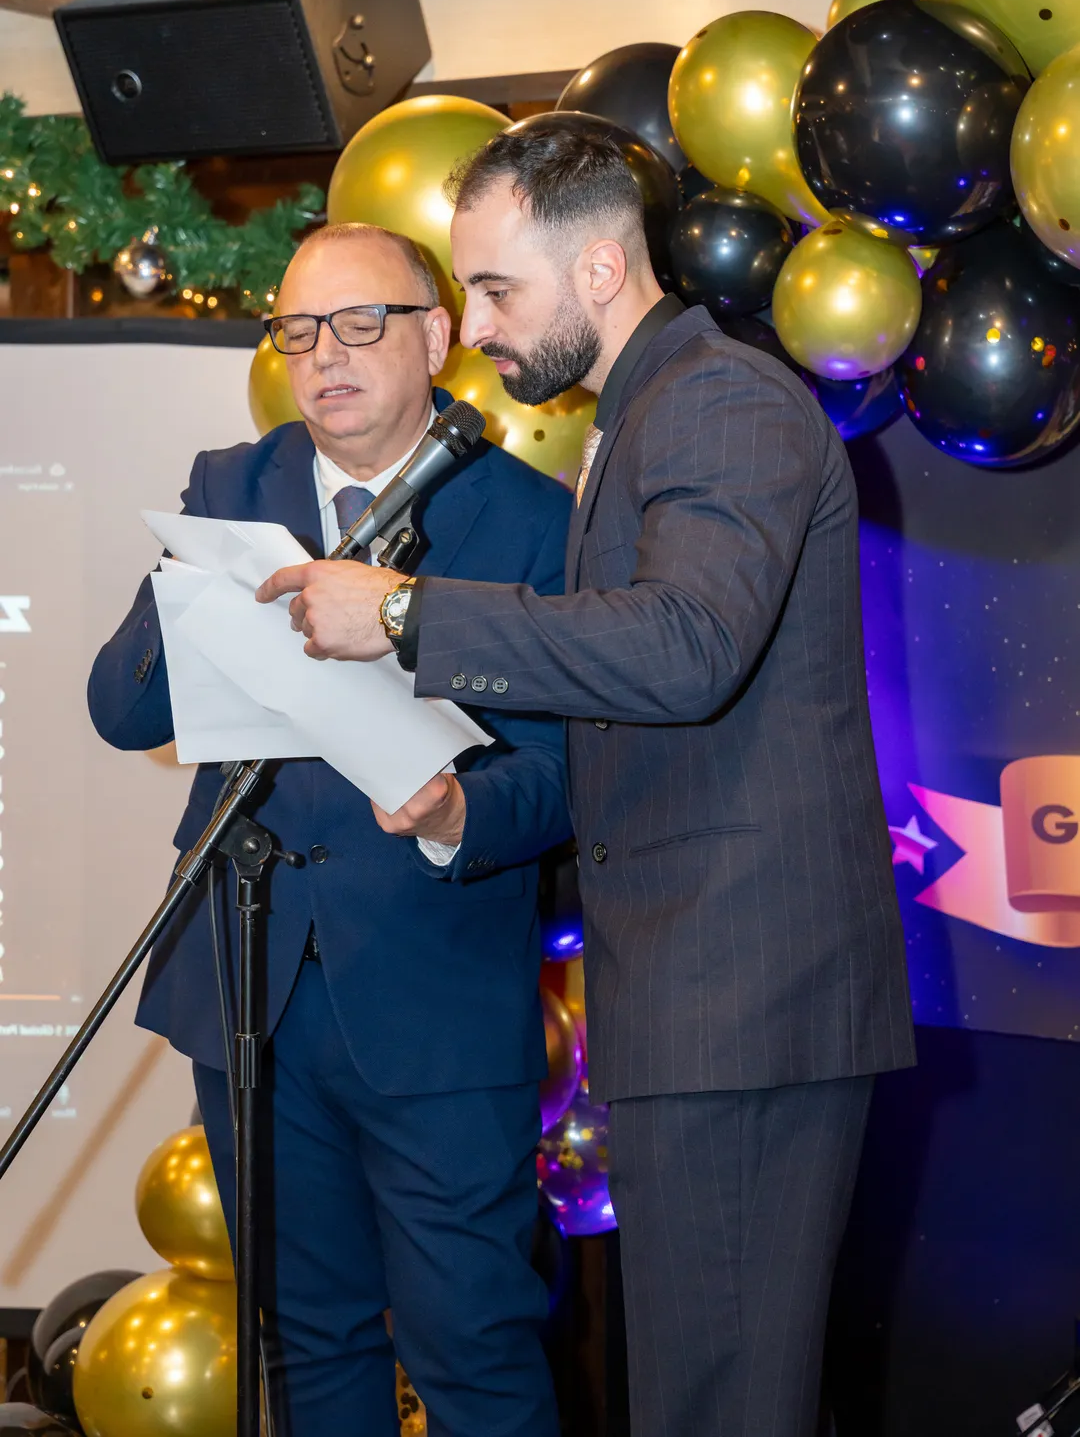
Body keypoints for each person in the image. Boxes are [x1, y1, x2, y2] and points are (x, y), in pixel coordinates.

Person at [257, 127, 918, 1437]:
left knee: (718, 1404)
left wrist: (403, 618)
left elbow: (684, 648)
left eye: (499, 290)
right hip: (701, 999)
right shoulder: (640, 416)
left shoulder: (719, 404)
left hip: (747, 1000)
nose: (481, 327)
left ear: (603, 267)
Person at [88, 221, 572, 1437]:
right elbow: (119, 708)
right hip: (249, 984)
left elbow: (574, 774)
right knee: (304, 1346)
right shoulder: (229, 486)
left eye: (361, 324)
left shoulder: (531, 520)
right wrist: (185, 586)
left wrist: (462, 808)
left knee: (476, 1345)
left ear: (439, 337)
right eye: (299, 330)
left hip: (438, 1000)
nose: (326, 357)